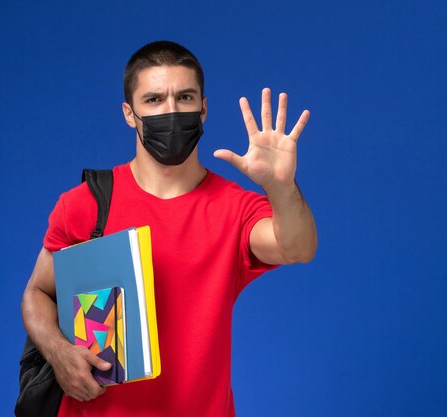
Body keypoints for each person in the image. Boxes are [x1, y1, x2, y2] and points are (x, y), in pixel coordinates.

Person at [21, 40, 317, 417]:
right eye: (154, 100)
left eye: (185, 97)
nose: (171, 111)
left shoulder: (235, 209)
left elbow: (297, 248)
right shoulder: (86, 203)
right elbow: (37, 293)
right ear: (129, 113)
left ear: (204, 108)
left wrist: (280, 186)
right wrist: (58, 352)